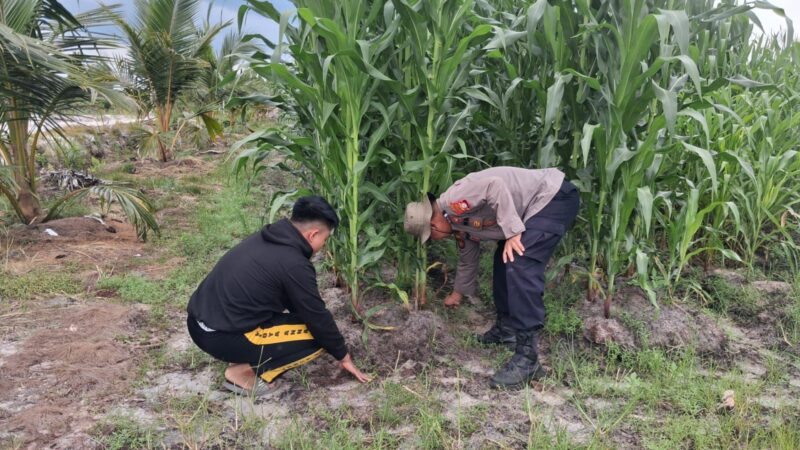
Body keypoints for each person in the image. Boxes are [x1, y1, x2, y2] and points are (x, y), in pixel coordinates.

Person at [404, 167, 579, 389]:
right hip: (536, 207)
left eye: (431, 237)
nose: (435, 240)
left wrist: (513, 232)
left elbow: (494, 185)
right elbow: (468, 259)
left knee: (519, 260)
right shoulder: (457, 223)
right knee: (503, 258)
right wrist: (457, 294)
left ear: (434, 223)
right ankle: (507, 329)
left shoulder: (455, 199)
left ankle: (528, 358)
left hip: (553, 197)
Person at [187, 196, 370, 396]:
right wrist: (343, 357)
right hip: (219, 336)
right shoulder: (294, 264)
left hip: (201, 322)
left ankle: (244, 354)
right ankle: (242, 373)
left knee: (313, 327)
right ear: (312, 234)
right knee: (319, 338)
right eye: (324, 240)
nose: (323, 245)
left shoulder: (268, 238)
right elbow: (316, 316)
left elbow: (298, 305)